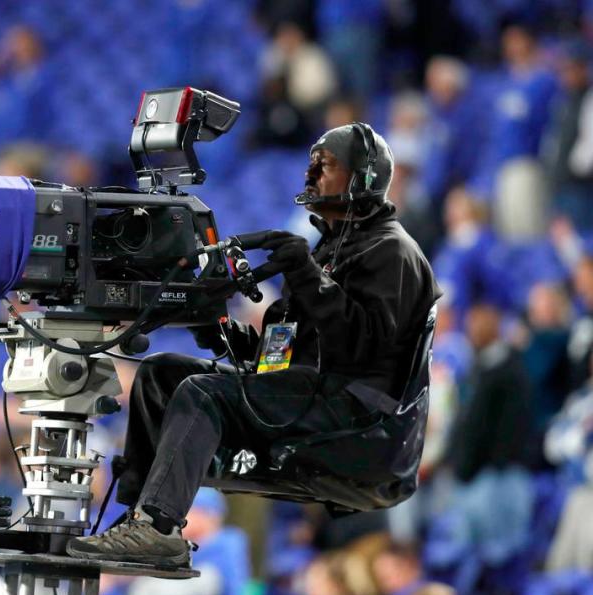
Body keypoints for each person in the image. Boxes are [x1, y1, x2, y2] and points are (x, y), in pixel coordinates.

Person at [67, 123, 441, 567]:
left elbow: (364, 348)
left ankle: (158, 528)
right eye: (311, 164)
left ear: (362, 177)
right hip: (315, 393)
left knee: (203, 393)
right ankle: (137, 520)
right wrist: (214, 325)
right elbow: (278, 362)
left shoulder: (393, 252)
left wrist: (307, 275)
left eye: (326, 166)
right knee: (161, 373)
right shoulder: (330, 250)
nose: (311, 174)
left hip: (363, 418)